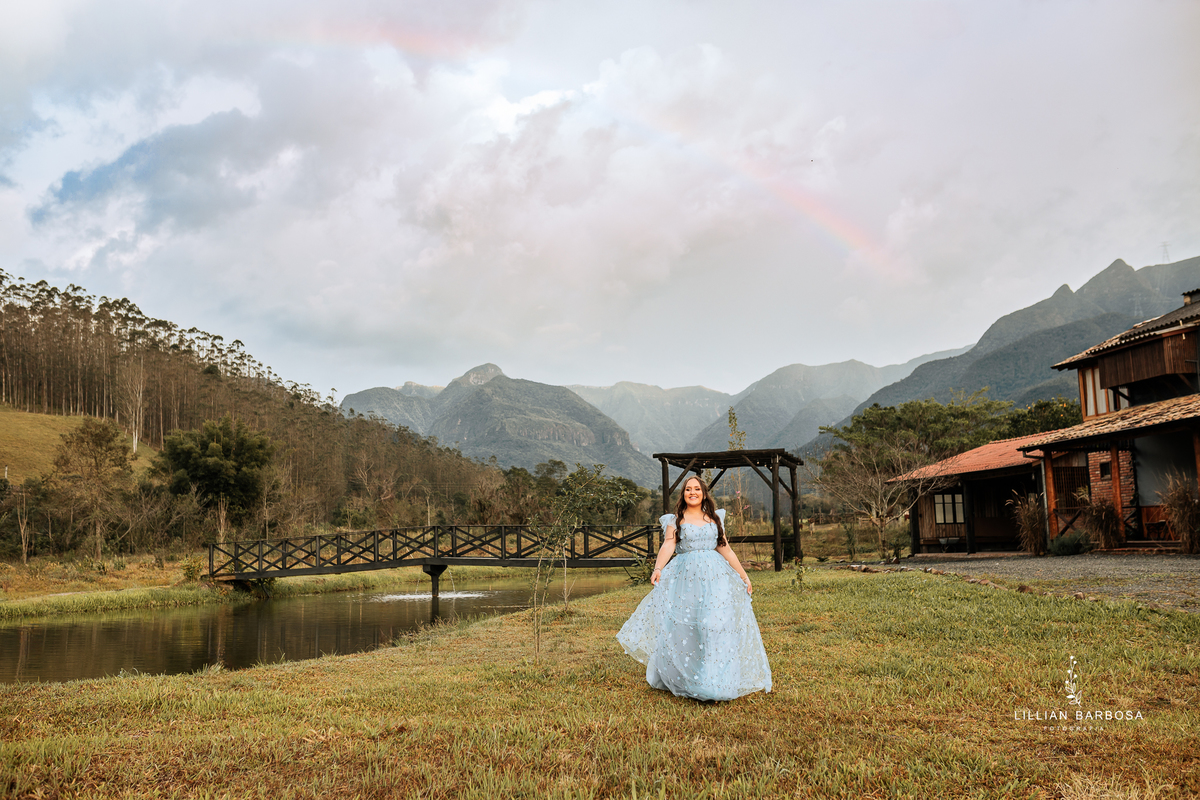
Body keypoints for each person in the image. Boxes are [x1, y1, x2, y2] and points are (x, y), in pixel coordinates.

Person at [616, 475, 772, 701]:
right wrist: (658, 567)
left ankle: (715, 678)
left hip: (715, 578)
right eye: (688, 489)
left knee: (714, 624)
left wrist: (744, 576)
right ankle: (685, 675)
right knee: (687, 626)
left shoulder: (715, 518)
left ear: (704, 493)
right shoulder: (676, 519)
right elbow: (669, 544)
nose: (692, 492)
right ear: (683, 494)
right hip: (685, 579)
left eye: (697, 489)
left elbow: (725, 548)